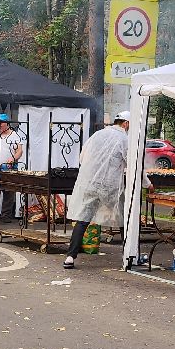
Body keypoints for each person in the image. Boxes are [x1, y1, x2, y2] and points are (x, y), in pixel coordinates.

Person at [63, 112, 132, 270]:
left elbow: (82, 157)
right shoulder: (124, 139)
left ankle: (70, 257)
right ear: (126, 123)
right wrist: (147, 183)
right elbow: (132, 164)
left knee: (83, 219)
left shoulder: (97, 135)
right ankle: (128, 255)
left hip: (90, 182)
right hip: (109, 186)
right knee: (123, 216)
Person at [0, 113, 25, 216]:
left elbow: (19, 151)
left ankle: (6, 215)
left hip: (9, 167)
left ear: (6, 123)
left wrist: (14, 158)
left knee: (9, 191)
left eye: (1, 123)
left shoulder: (14, 135)